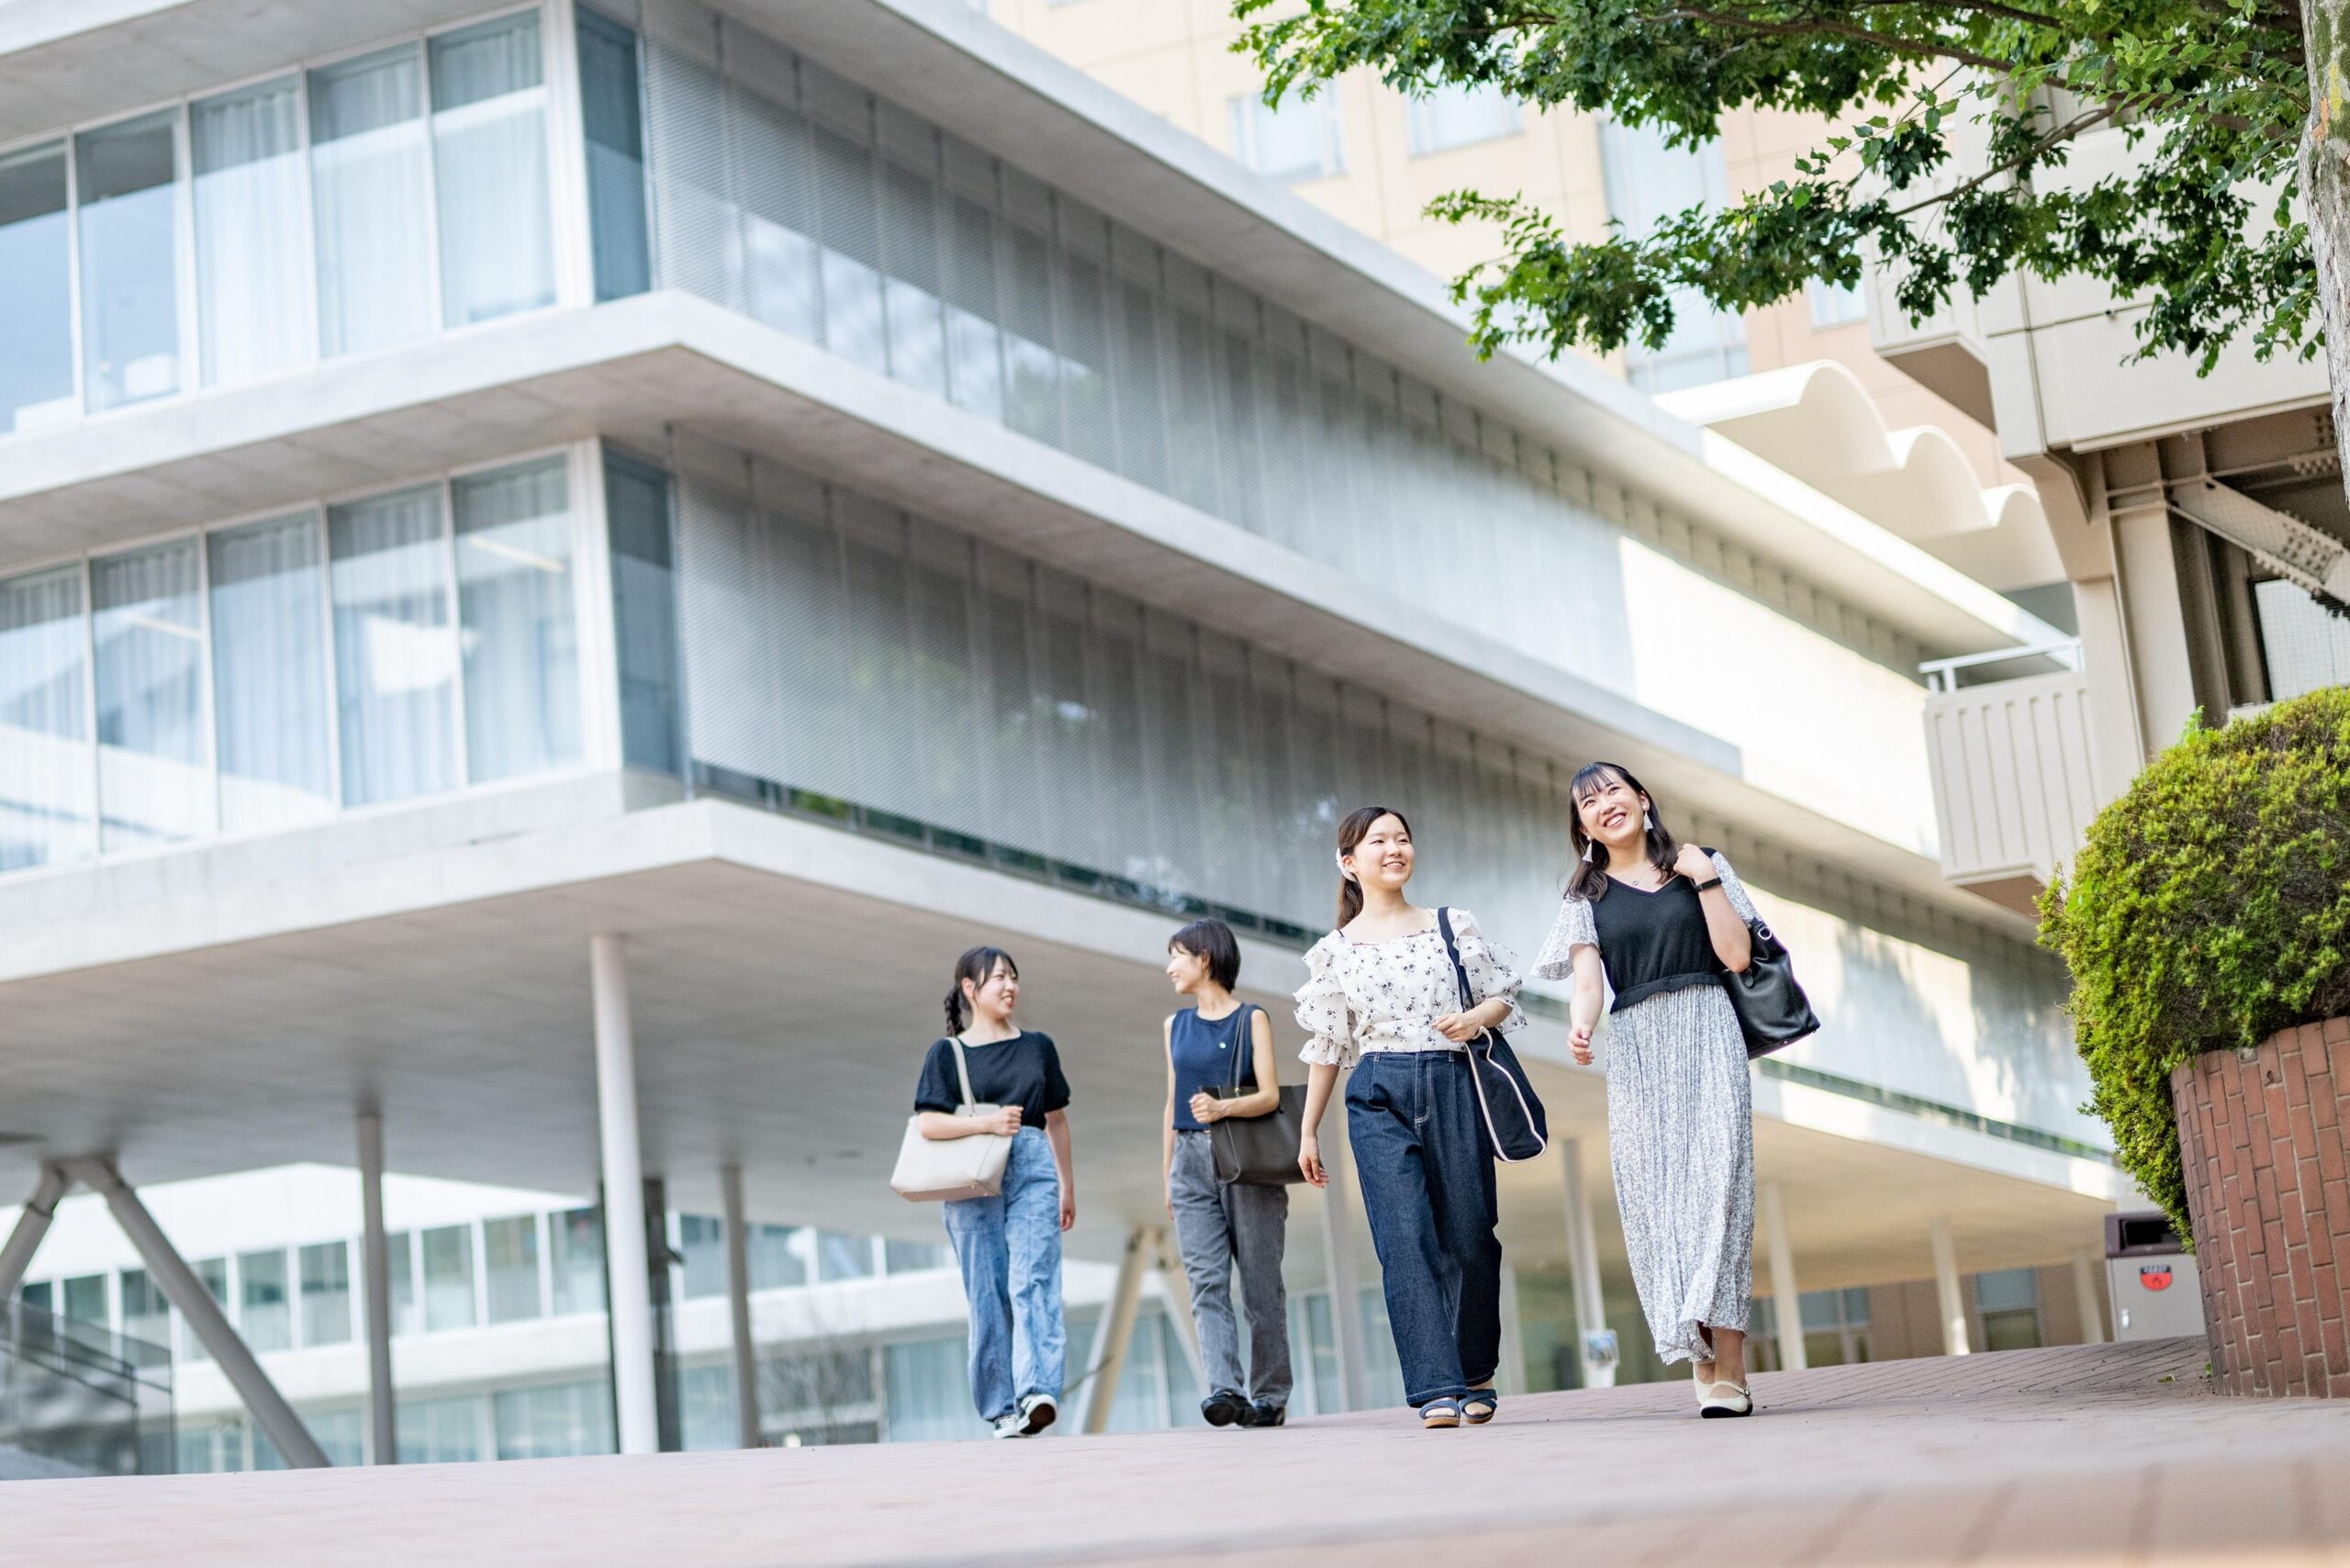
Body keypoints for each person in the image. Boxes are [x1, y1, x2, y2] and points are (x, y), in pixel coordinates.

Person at [1532, 762, 1761, 1418]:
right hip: (1636, 1045)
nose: (1605, 805)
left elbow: (1738, 957)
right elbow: (1585, 981)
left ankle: (1733, 1368)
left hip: (1707, 1026)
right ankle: (1700, 1354)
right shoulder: (1586, 894)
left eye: (1613, 791)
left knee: (1721, 1191)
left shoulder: (1701, 863)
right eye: (1588, 802)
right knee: (1662, 1202)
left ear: (1643, 799)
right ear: (1581, 826)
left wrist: (1707, 880)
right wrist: (1580, 1028)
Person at [1294, 806, 1526, 1429]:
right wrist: (1308, 1128)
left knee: (1473, 1237)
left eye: (1401, 838)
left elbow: (1505, 992)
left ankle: (1475, 1369)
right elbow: (1328, 1045)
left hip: (1453, 1081)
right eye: (1378, 841)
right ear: (1349, 862)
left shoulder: (1450, 925)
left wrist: (1476, 1019)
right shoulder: (1335, 952)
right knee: (1404, 1240)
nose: (1394, 848)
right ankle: (1435, 1387)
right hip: (1377, 1089)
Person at [912, 946, 1075, 1438]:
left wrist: (1067, 1184)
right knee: (987, 1291)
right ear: (969, 988)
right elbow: (928, 1124)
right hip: (972, 1172)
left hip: (1032, 1164)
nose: (1010, 986)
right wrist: (987, 1121)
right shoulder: (949, 1053)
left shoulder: (1038, 1045)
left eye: (1014, 977)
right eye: (998, 978)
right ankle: (1001, 1408)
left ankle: (1037, 1392)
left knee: (1035, 1279)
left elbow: (1056, 1119)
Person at [1162, 917, 1292, 1429]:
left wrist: (1223, 1111)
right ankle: (1224, 1388)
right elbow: (1170, 1102)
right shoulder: (1174, 1026)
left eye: (1176, 955)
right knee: (1206, 1282)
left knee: (1260, 1284)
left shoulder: (1251, 1018)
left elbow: (1271, 1095)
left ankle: (1270, 1395)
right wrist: (1167, 1173)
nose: (1170, 967)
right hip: (1188, 1163)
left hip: (1244, 1158)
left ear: (1205, 959)